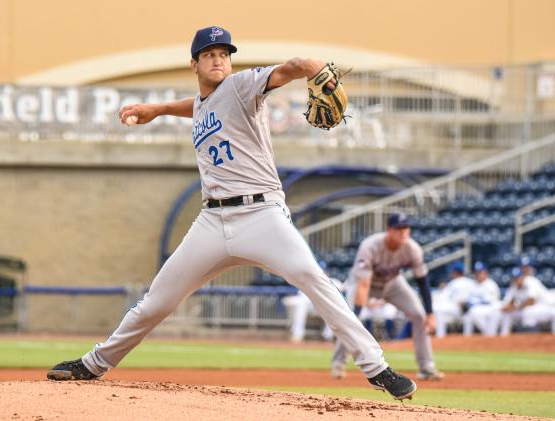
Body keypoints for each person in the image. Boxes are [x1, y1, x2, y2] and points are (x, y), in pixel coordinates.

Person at [46, 26, 417, 400]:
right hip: (211, 221)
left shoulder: (241, 86)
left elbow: (290, 68)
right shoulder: (205, 104)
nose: (218, 59)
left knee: (312, 277)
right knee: (156, 301)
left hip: (262, 214)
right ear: (194, 64)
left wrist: (313, 66)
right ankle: (93, 364)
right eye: (209, 54)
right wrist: (157, 110)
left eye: (223, 53)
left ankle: (377, 368)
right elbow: (196, 106)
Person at [330, 213, 444, 381]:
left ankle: (426, 368)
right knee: (352, 319)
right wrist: (358, 311)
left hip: (392, 283)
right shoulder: (370, 246)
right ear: (389, 230)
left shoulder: (412, 249)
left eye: (406, 228)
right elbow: (363, 284)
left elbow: (422, 281)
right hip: (363, 282)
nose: (403, 232)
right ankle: (338, 363)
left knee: (419, 316)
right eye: (399, 229)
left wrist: (430, 313)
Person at [283, 262, 345, 343]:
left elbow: (344, 290)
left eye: (323, 271)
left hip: (326, 308)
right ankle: (297, 335)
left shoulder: (334, 282)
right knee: (301, 305)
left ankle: (327, 336)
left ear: (327, 272)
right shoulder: (308, 282)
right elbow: (301, 298)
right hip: (312, 307)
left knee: (333, 308)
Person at [495, 267, 553, 335]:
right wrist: (507, 307)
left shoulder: (530, 283)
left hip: (541, 306)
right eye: (515, 278)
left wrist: (516, 307)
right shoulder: (513, 287)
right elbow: (509, 302)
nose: (517, 280)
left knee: (528, 312)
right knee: (508, 314)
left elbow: (531, 301)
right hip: (523, 310)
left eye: (518, 277)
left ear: (522, 277)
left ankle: (531, 336)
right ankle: (504, 336)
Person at [432, 262, 476, 338]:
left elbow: (470, 298)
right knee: (437, 311)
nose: (451, 273)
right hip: (451, 308)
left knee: (436, 308)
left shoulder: (466, 282)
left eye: (452, 272)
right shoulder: (454, 283)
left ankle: (439, 336)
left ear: (456, 272)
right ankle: (439, 336)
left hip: (458, 308)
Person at [462, 261, 501, 336]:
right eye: (476, 272)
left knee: (474, 312)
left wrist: (474, 303)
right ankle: (466, 340)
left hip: (489, 308)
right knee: (468, 316)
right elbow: (467, 299)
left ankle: (490, 335)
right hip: (476, 309)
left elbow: (489, 301)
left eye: (480, 272)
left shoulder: (491, 284)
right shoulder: (472, 284)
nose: (478, 275)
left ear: (486, 273)